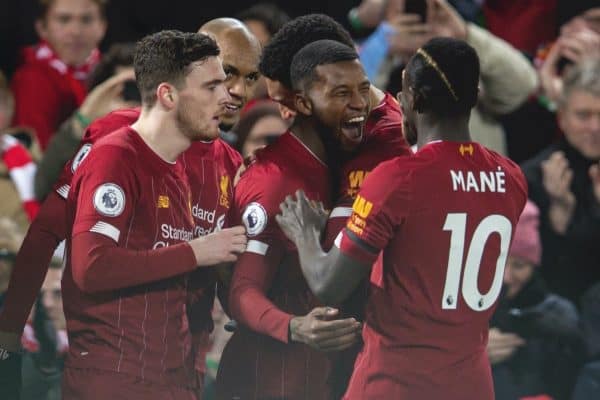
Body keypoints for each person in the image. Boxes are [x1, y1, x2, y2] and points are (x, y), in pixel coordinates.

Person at [276, 37, 528, 399]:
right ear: (472, 97)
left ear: (416, 99)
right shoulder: (511, 177)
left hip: (395, 381)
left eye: (403, 94)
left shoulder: (400, 178)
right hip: (471, 384)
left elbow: (328, 284)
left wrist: (305, 232)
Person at [216, 40, 368, 400]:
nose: (360, 104)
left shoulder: (343, 167)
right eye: (342, 93)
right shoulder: (275, 182)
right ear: (302, 103)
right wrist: (296, 327)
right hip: (271, 380)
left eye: (364, 90)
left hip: (327, 379)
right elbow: (242, 291)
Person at [521, 58, 600, 308]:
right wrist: (560, 219)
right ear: (562, 118)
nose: (595, 127)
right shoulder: (534, 178)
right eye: (583, 115)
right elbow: (545, 282)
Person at [488, 201, 583, 400]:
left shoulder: (559, 317)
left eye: (519, 265)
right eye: (498, 261)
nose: (506, 276)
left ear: (534, 267)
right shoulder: (465, 314)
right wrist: (473, 357)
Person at [10, 0, 107, 150]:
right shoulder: (32, 80)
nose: (75, 31)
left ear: (103, 27)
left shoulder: (116, 73)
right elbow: (39, 157)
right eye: (64, 19)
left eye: (86, 19)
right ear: (42, 28)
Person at [199, 18, 262, 140]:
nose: (240, 91)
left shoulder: (234, 157)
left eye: (251, 77)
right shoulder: (155, 145)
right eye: (227, 72)